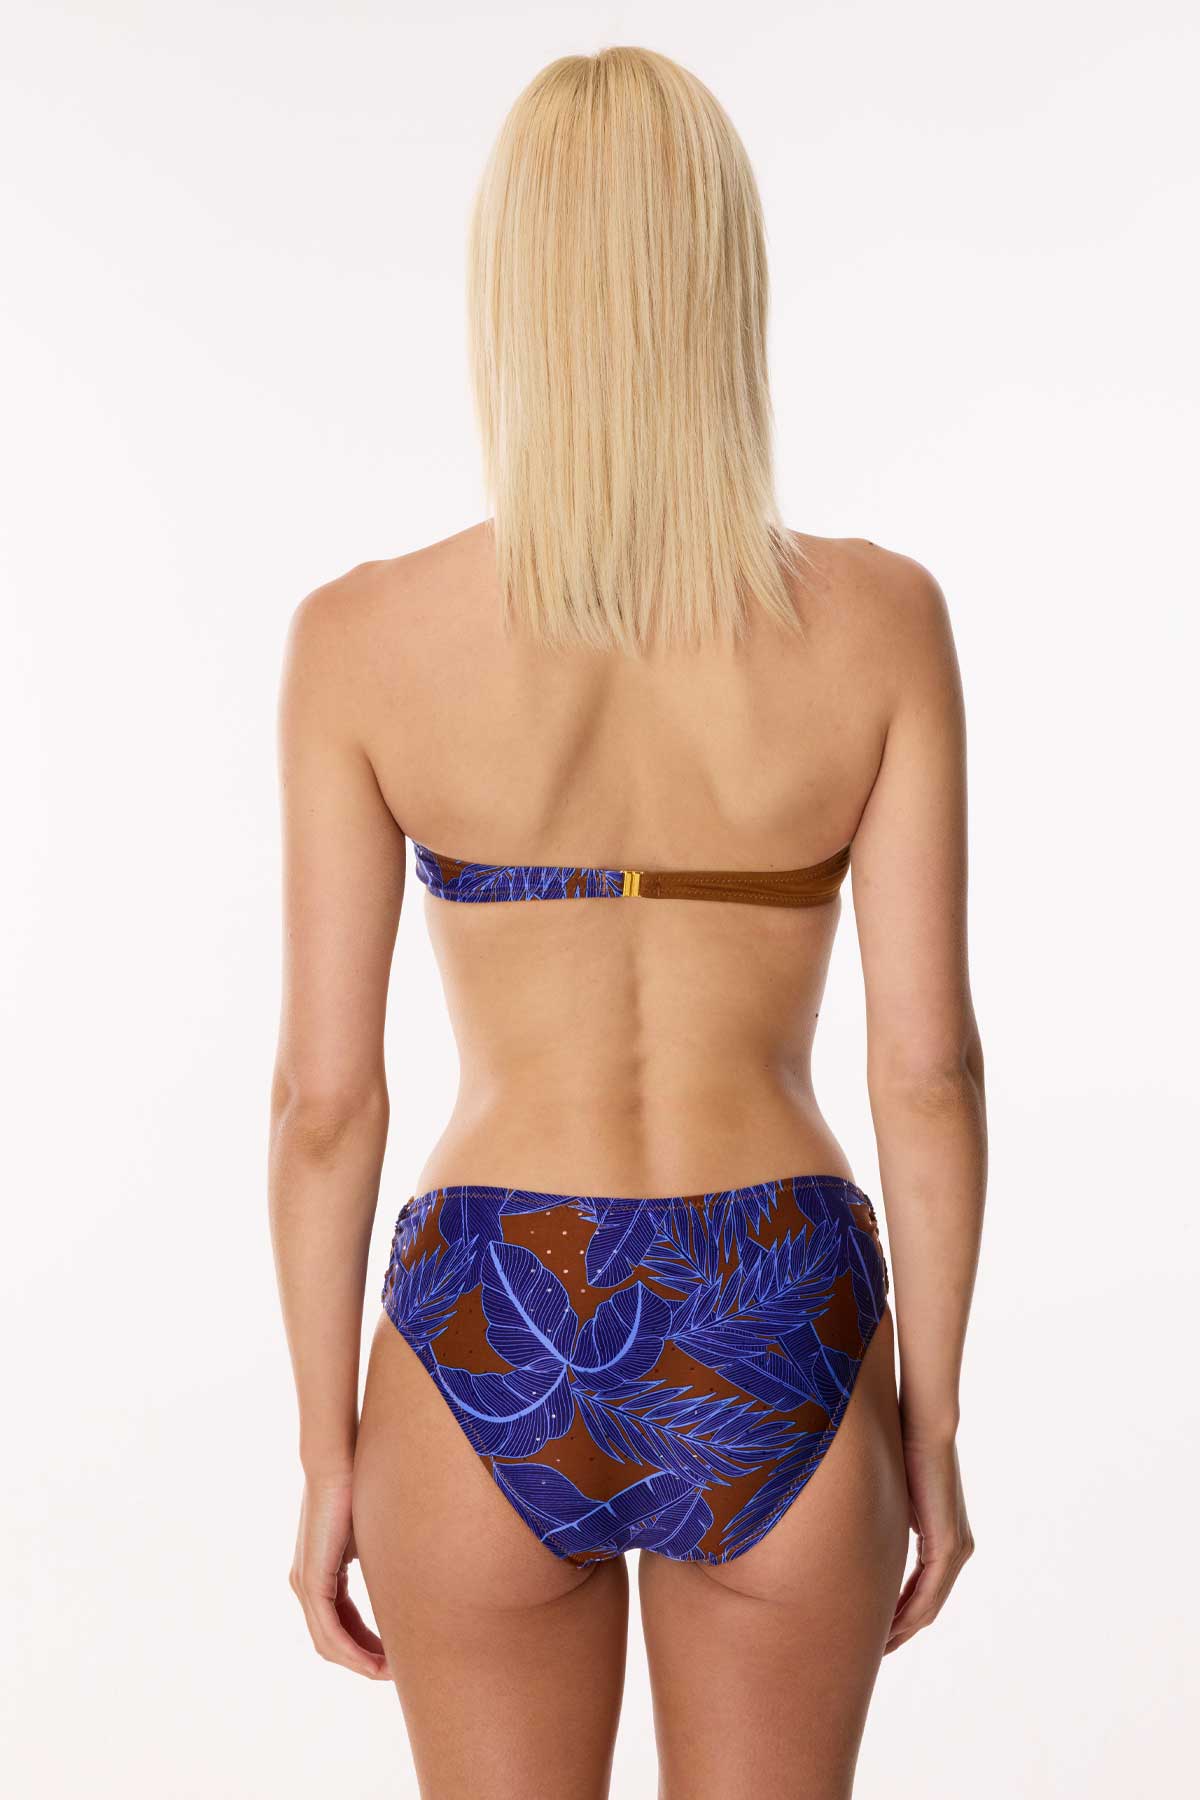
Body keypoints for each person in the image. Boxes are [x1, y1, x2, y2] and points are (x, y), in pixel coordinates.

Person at [269, 44, 985, 1800]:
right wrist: (933, 1424)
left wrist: (325, 1454)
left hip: (489, 1318)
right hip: (779, 1314)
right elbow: (930, 1074)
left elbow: (323, 1105)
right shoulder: (881, 625)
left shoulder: (363, 643)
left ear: (511, 295)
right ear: (720, 281)